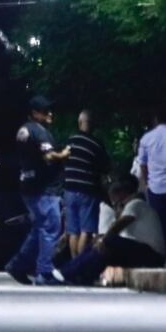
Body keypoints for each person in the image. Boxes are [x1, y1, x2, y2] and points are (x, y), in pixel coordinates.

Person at [5, 95, 71, 285]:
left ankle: (18, 265)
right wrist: (64, 154)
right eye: (45, 111)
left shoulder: (24, 130)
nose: (50, 114)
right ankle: (45, 272)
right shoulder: (39, 131)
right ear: (34, 113)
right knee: (50, 226)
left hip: (28, 184)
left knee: (40, 228)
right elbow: (48, 157)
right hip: (44, 188)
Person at [54, 174, 166, 286]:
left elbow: (119, 224)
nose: (115, 205)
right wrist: (101, 240)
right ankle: (76, 275)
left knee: (108, 241)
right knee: (101, 249)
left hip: (152, 255)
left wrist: (104, 239)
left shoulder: (136, 204)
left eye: (115, 201)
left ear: (122, 195)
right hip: (142, 252)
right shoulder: (136, 206)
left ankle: (68, 273)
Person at [138, 108, 166, 264]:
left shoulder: (147, 138)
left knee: (158, 224)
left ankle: (160, 254)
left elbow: (143, 164)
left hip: (155, 186)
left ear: (155, 119)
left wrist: (146, 182)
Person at [63, 110, 110, 257]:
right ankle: (81, 264)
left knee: (73, 232)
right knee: (86, 231)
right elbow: (105, 168)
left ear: (79, 123)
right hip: (87, 191)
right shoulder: (96, 144)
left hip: (69, 190)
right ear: (93, 124)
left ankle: (73, 263)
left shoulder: (70, 141)